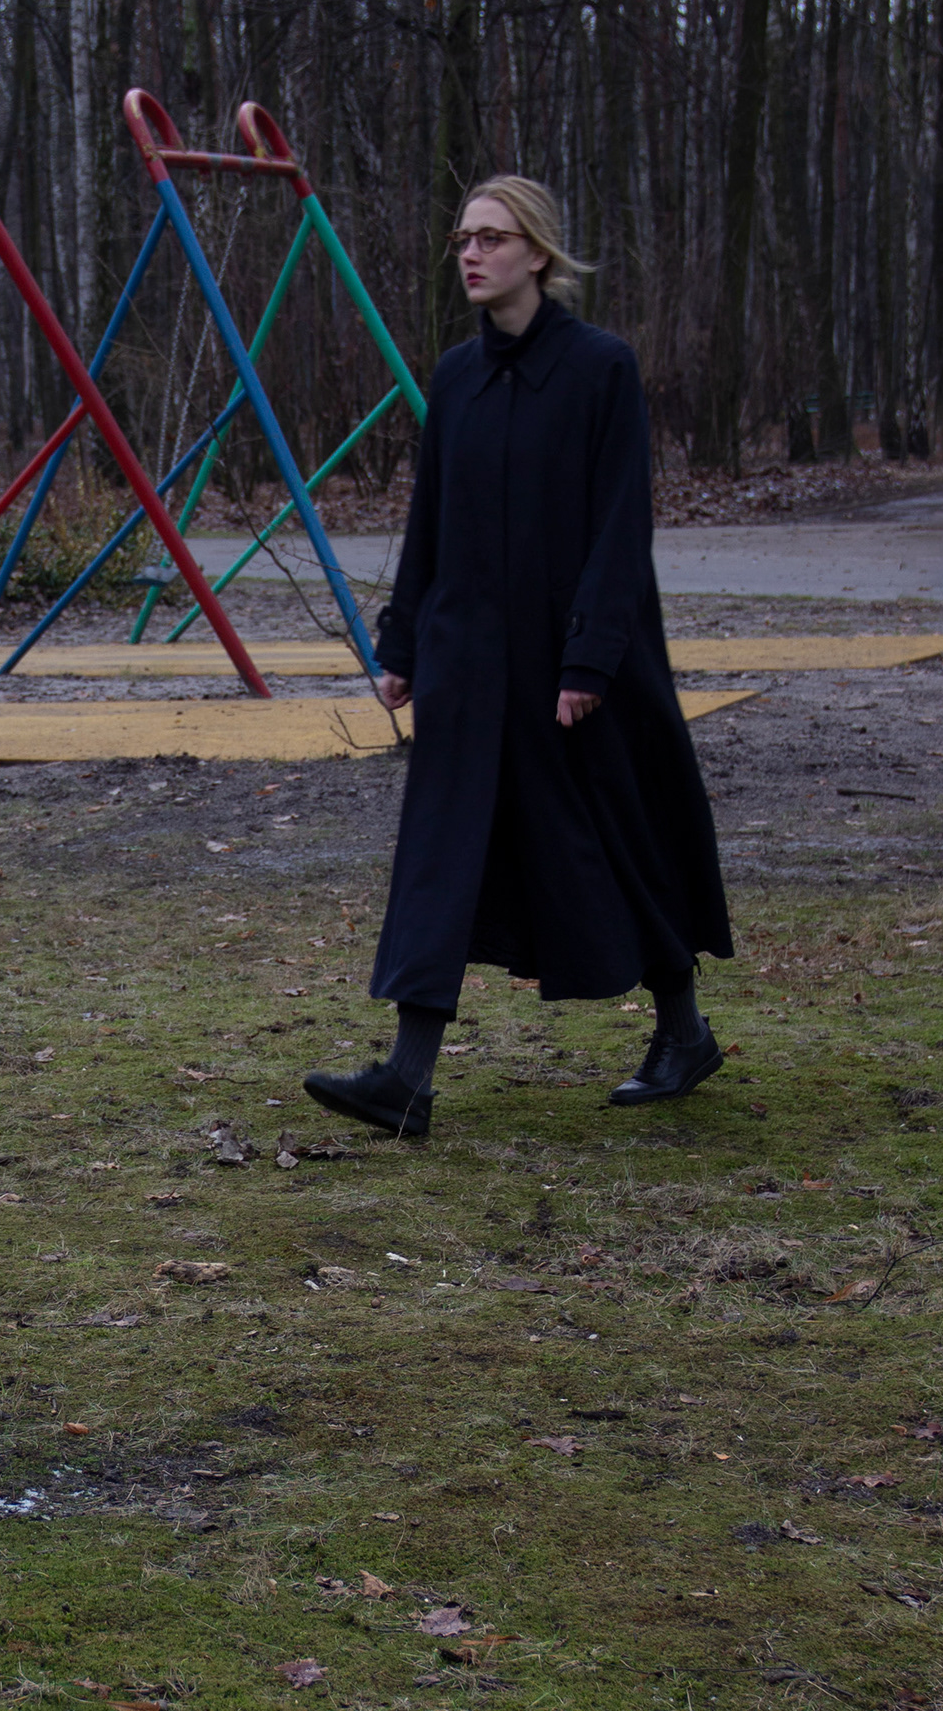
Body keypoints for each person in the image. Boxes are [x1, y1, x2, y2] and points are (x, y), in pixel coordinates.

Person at [304, 175, 731, 1141]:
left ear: (537, 253)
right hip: (466, 658)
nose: (471, 253)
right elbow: (430, 521)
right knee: (442, 851)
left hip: (569, 664)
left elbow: (621, 528)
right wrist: (403, 643)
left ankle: (683, 1030)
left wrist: (590, 661)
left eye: (491, 237)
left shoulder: (600, 370)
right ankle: (407, 1079)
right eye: (463, 237)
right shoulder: (456, 376)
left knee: (611, 839)